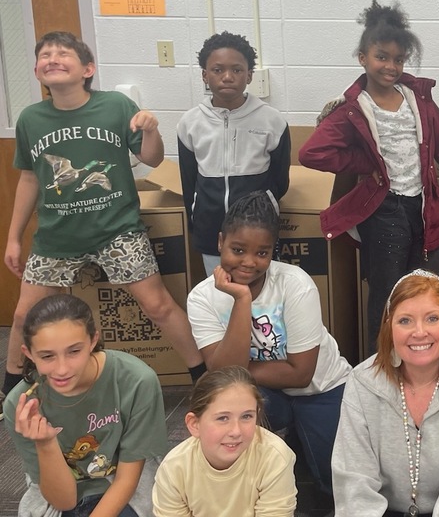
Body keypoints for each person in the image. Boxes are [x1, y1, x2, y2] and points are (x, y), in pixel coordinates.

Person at [299, 0, 439, 348]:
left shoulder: (418, 99)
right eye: (382, 57)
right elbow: (312, 153)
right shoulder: (353, 107)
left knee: (430, 290)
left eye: (398, 59)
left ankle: (430, 359)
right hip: (383, 211)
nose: (391, 66)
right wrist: (367, 164)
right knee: (388, 294)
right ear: (363, 57)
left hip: (424, 207)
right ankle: (381, 366)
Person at [3, 31, 204, 401]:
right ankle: (11, 390)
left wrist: (151, 130)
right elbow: (29, 179)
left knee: (158, 305)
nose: (52, 59)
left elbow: (152, 158)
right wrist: (14, 238)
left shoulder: (115, 106)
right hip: (57, 236)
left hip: (118, 231)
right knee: (22, 316)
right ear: (36, 71)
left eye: (63, 53)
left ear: (88, 69)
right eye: (45, 55)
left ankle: (203, 378)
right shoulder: (31, 118)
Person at [186, 190, 351, 499]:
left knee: (335, 480)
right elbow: (224, 378)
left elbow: (302, 373)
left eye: (262, 253)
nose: (249, 262)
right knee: (227, 424)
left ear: (272, 252)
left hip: (321, 387)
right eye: (238, 249)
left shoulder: (295, 284)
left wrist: (238, 369)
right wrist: (242, 299)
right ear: (220, 242)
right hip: (265, 391)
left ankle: (301, 441)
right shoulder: (201, 298)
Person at [333, 269, 439, 517]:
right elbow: (355, 484)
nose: (419, 332)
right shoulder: (361, 382)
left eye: (432, 318)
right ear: (389, 328)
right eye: (405, 321)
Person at [4, 294, 168, 517]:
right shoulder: (21, 405)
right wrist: (45, 443)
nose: (62, 369)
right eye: (47, 356)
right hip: (62, 491)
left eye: (74, 351)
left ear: (93, 341)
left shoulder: (136, 380)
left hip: (123, 485)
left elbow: (127, 479)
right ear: (29, 354)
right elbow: (64, 501)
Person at [177, 31, 291, 278]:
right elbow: (189, 181)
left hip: (258, 228)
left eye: (237, 70)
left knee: (262, 293)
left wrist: (264, 207)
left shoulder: (272, 120)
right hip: (210, 228)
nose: (227, 77)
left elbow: (280, 179)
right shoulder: (190, 123)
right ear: (205, 75)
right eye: (217, 70)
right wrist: (198, 219)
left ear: (249, 75)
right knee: (220, 292)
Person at [153, 365, 297, 517]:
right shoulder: (174, 467)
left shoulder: (275, 457)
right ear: (194, 424)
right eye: (222, 418)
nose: (236, 431)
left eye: (246, 416)